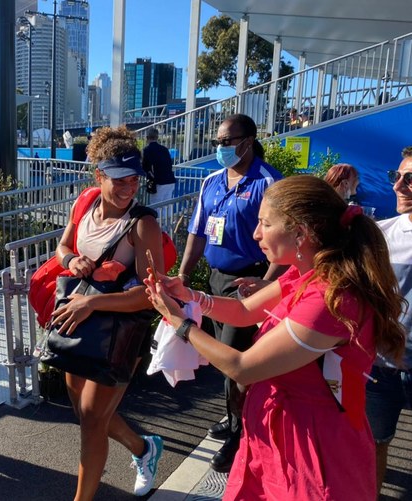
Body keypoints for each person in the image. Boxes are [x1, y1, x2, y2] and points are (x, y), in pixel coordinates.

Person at [147, 175, 406, 500]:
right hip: (281, 433)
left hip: (311, 447)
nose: (256, 233)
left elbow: (242, 367)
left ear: (301, 233)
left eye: (265, 224)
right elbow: (244, 310)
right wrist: (191, 296)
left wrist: (180, 323)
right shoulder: (308, 272)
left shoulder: (330, 300)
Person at [51, 126, 164, 500]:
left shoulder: (143, 224)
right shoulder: (84, 204)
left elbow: (152, 295)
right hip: (80, 323)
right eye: (120, 179)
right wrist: (71, 259)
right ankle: (144, 448)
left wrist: (92, 303)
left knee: (92, 420)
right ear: (99, 175)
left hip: (119, 333)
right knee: (87, 414)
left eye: (135, 179)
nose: (129, 187)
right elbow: (62, 246)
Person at [178, 113, 284, 472]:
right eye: (217, 142)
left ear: (248, 142)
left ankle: (239, 436)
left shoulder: (268, 182)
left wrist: (266, 284)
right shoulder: (212, 181)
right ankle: (235, 415)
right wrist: (183, 276)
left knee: (236, 362)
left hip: (249, 283)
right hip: (216, 280)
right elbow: (197, 233)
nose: (220, 148)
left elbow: (282, 239)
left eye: (227, 142)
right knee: (226, 360)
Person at [365, 147, 412, 494]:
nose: (398, 186)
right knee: (373, 446)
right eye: (397, 176)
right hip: (381, 366)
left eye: (410, 179)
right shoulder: (379, 235)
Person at [142, 128, 176, 223]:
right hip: (170, 180)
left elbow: (145, 167)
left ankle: (157, 226)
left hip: (158, 182)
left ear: (147, 137)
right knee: (168, 204)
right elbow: (169, 164)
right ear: (157, 137)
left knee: (156, 205)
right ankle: (168, 226)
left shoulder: (147, 150)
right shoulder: (164, 149)